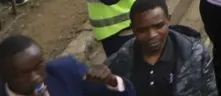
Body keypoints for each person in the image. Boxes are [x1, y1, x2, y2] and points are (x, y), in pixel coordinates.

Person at [105, 0, 216, 96]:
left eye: (158, 26)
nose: (152, 35)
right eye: (142, 30)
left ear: (169, 20)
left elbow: (210, 91)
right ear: (133, 29)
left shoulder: (196, 55)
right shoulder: (119, 62)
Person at [0, 34, 131, 95]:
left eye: (38, 66)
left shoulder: (66, 71)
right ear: (5, 75)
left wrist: (111, 82)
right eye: (23, 73)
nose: (35, 77)